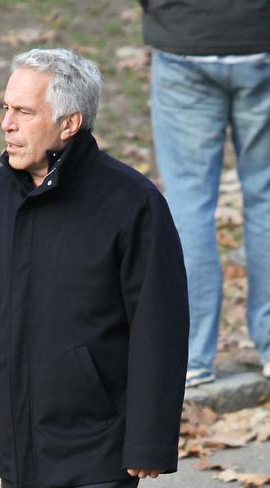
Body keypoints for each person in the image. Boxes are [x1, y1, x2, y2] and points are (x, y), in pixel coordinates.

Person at [0, 48, 189, 488]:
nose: (7, 123)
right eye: (6, 109)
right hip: (17, 447)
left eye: (23, 111)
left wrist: (149, 439)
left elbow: (159, 328)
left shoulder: (132, 204)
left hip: (101, 448)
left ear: (69, 123)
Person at [139, 1, 270, 387]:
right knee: (266, 196)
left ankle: (192, 354)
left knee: (187, 202)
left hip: (185, 35)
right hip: (261, 35)